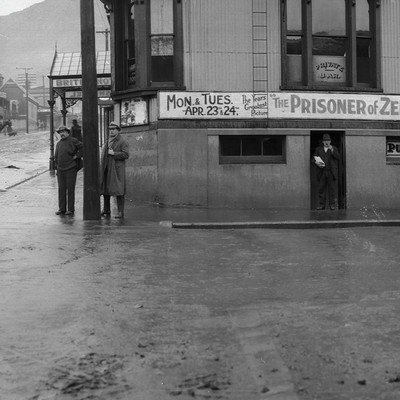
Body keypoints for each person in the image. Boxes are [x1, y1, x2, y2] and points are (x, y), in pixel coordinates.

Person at [100, 122, 129, 219]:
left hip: (117, 169)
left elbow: (126, 155)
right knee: (105, 189)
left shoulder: (122, 141)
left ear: (118, 130)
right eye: (110, 129)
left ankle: (120, 212)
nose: (111, 131)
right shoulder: (108, 140)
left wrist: (114, 153)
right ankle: (106, 209)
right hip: (107, 168)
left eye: (113, 129)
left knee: (119, 190)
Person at [54, 125, 83, 215]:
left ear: (67, 132)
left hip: (70, 169)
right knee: (61, 189)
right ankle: (61, 209)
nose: (62, 134)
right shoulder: (58, 144)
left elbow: (83, 148)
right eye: (60, 132)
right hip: (60, 170)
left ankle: (70, 209)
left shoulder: (73, 141)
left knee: (70, 189)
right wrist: (56, 167)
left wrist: (77, 156)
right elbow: (56, 157)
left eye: (63, 132)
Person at [313, 133, 340, 211]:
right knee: (321, 189)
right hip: (322, 172)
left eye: (328, 140)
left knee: (332, 189)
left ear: (330, 141)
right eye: (325, 141)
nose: (327, 142)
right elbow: (313, 159)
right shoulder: (318, 149)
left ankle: (332, 205)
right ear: (323, 142)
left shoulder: (334, 148)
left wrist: (332, 150)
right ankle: (322, 205)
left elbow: (338, 157)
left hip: (331, 172)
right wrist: (316, 162)